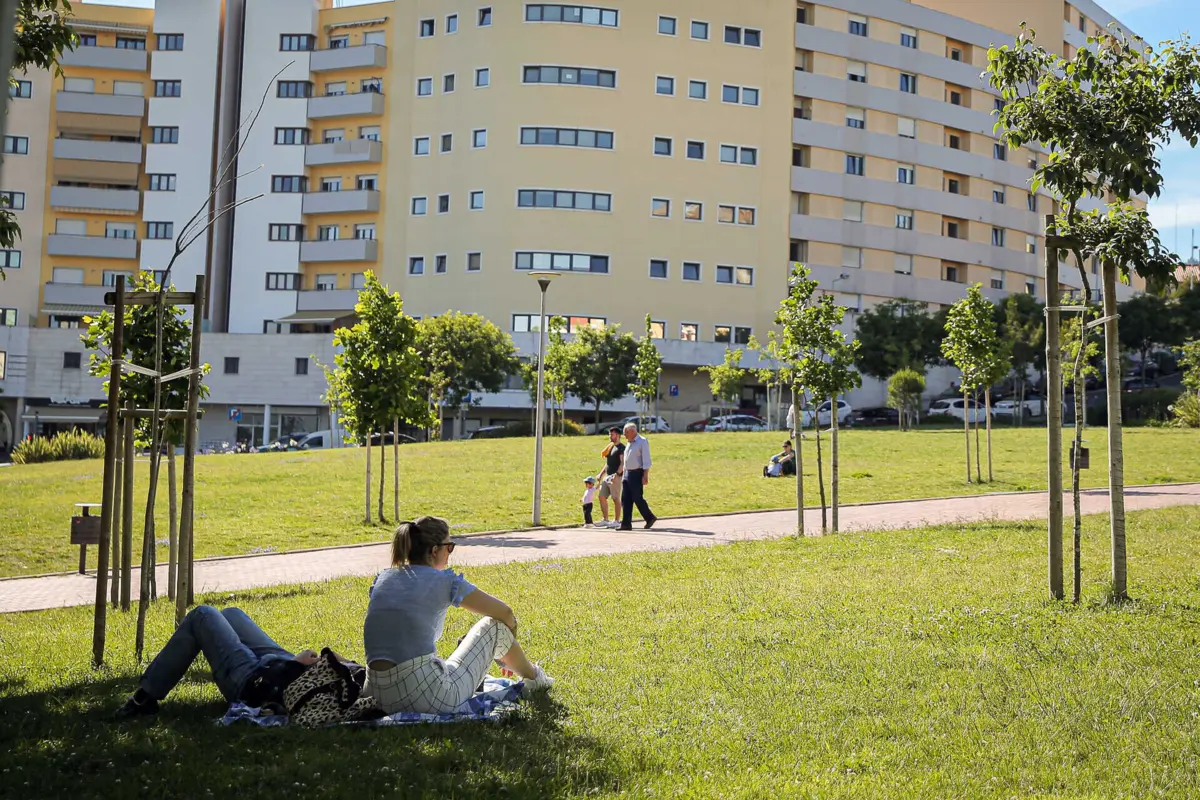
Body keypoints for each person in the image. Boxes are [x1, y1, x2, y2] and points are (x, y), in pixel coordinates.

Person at [363, 517, 553, 715]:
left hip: (376, 696)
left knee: (444, 664)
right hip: (428, 698)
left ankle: (527, 674)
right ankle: (535, 680)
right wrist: (508, 648)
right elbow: (505, 613)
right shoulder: (443, 581)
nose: (450, 553)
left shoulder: (383, 579)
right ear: (435, 550)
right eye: (450, 547)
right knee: (494, 627)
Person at [114, 606, 346, 719]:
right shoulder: (366, 682)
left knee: (202, 615)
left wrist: (296, 664)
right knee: (231, 614)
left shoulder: (348, 700)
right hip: (280, 665)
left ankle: (145, 696)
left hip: (257, 682)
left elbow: (290, 697)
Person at [618, 422, 657, 530]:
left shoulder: (642, 442)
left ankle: (649, 517)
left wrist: (645, 475)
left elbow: (646, 459)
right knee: (625, 499)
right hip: (627, 473)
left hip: (636, 473)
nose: (624, 435)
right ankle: (626, 524)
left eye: (626, 432)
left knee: (637, 497)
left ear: (632, 431)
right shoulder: (629, 443)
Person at [596, 426, 625, 528]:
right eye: (609, 434)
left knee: (615, 498)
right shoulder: (611, 447)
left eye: (612, 434)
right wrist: (601, 474)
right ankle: (605, 519)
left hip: (615, 477)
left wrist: (617, 475)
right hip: (607, 476)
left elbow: (623, 463)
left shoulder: (621, 448)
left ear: (618, 435)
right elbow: (608, 463)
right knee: (601, 496)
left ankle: (617, 521)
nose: (610, 436)